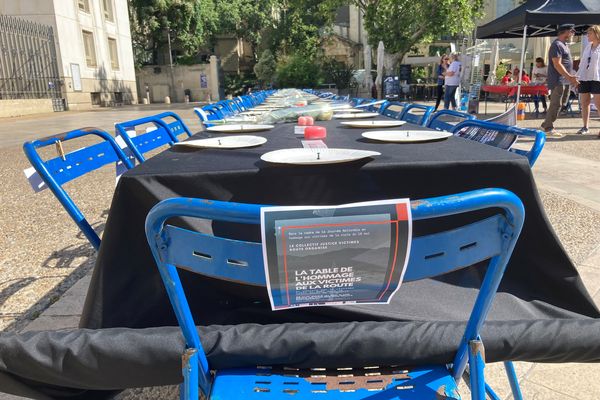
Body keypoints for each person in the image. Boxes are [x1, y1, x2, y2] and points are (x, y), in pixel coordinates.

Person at [541, 24, 579, 137]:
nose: (573, 34)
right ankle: (548, 128)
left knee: (562, 104)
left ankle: (546, 124)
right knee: (556, 104)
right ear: (566, 32)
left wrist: (569, 78)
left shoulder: (564, 45)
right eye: (572, 31)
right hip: (558, 80)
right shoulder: (556, 45)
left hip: (564, 80)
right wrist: (569, 77)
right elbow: (557, 64)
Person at [576, 25, 600, 137]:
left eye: (590, 33)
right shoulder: (587, 47)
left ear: (596, 34)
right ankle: (585, 126)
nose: (587, 35)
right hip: (584, 77)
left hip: (597, 77)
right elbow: (582, 63)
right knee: (584, 103)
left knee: (598, 103)